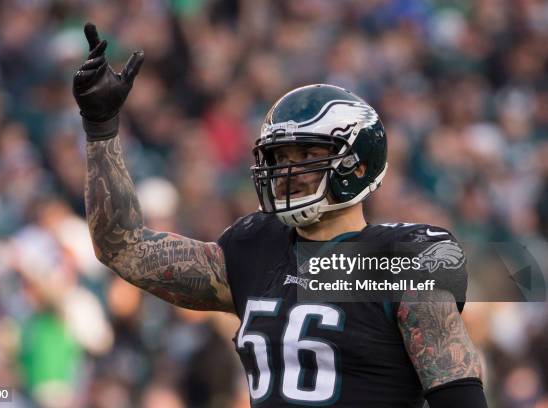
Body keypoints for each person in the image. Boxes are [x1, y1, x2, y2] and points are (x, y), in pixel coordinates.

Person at [73, 23, 488, 408]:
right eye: (279, 157)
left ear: (359, 166)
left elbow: (458, 392)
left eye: (307, 155)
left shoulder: (400, 259)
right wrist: (101, 126)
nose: (289, 172)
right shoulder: (256, 248)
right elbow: (121, 246)